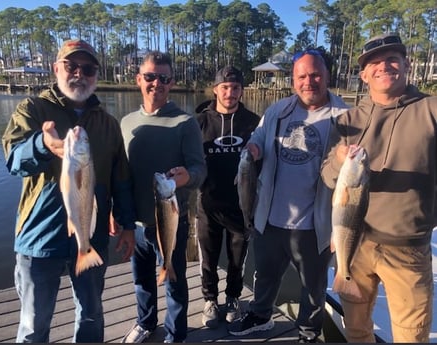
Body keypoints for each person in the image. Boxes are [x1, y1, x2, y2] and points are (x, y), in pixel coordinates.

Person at [1, 39, 136, 343]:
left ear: (96, 74)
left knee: (91, 314)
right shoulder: (33, 108)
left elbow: (121, 180)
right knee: (34, 324)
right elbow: (13, 160)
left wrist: (127, 225)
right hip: (40, 235)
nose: (80, 74)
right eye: (71, 66)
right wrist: (41, 145)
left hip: (91, 234)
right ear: (56, 68)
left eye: (88, 69)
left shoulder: (108, 123)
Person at [321, 33, 436, 343]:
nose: (384, 67)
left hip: (408, 248)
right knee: (357, 330)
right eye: (374, 63)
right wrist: (339, 158)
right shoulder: (347, 120)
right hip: (354, 245)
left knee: (412, 336)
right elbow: (329, 177)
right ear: (364, 74)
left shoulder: (431, 110)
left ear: (406, 65)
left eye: (392, 60)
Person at [228, 49, 350, 342]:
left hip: (315, 223)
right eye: (302, 76)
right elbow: (258, 136)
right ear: (294, 79)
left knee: (314, 284)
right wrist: (254, 148)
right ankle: (260, 315)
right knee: (265, 274)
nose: (309, 81)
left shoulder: (345, 116)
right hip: (271, 216)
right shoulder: (277, 111)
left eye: (315, 74)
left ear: (327, 76)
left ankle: (308, 332)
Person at [120, 51, 207, 343]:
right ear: (138, 80)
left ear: (171, 83)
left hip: (171, 219)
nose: (156, 83)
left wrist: (188, 177)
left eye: (164, 78)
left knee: (174, 280)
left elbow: (199, 168)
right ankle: (145, 322)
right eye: (150, 76)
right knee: (141, 279)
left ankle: (176, 334)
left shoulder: (185, 122)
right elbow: (121, 174)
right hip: (136, 220)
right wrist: (113, 212)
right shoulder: (127, 122)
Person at [194, 65, 260, 329]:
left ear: (241, 91)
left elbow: (267, 159)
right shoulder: (199, 122)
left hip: (241, 205)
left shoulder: (254, 123)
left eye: (235, 88)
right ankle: (210, 300)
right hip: (207, 204)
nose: (230, 92)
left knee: (237, 259)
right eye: (225, 87)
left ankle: (233, 298)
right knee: (208, 259)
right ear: (216, 89)